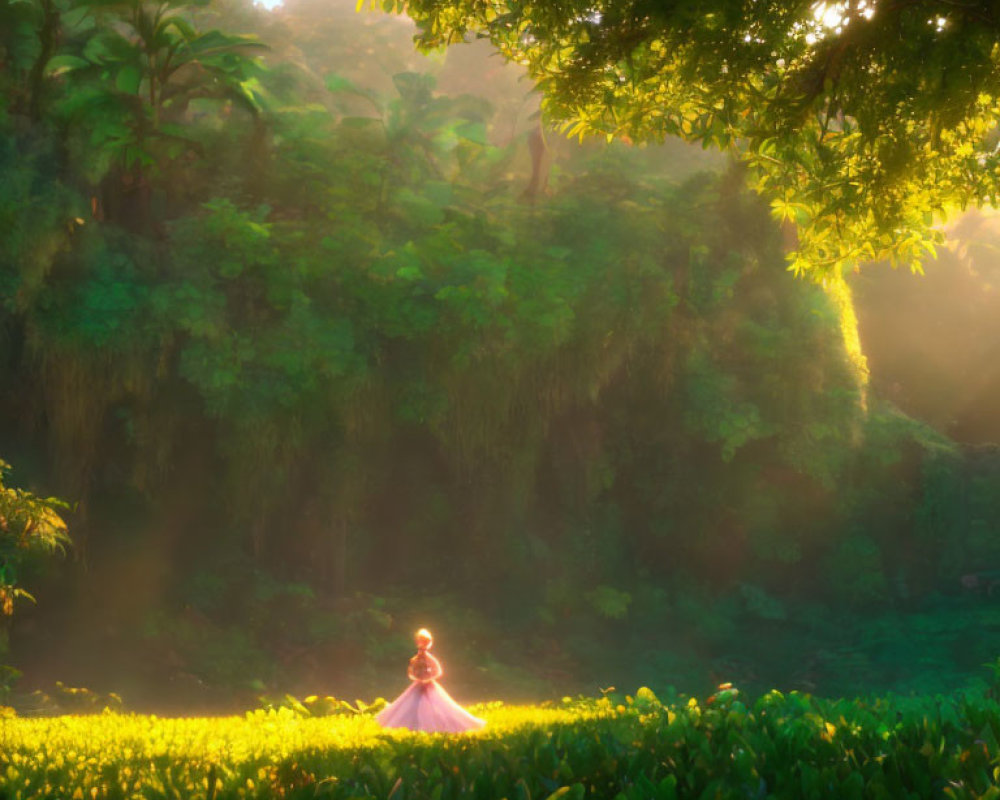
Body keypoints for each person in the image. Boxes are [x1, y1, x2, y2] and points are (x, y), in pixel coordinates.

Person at [375, 628, 485, 733]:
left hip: (429, 685)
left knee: (438, 706)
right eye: (420, 643)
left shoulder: (430, 659)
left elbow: (439, 671)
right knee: (409, 706)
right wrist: (418, 678)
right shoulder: (415, 659)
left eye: (423, 643)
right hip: (418, 684)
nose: (421, 647)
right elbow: (410, 672)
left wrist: (428, 678)